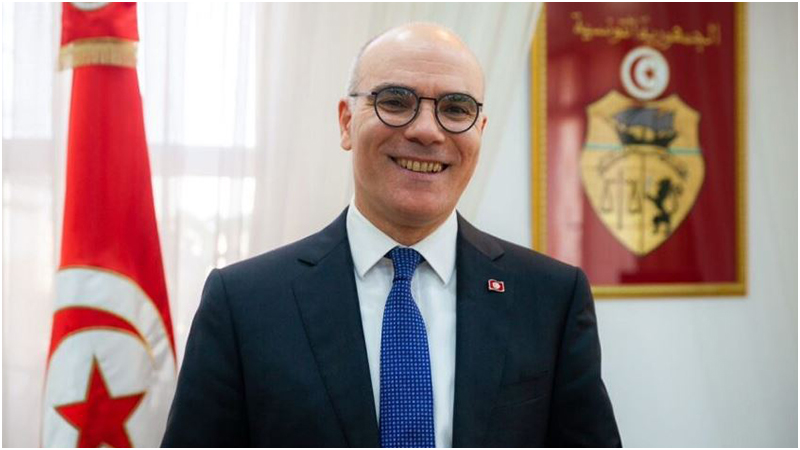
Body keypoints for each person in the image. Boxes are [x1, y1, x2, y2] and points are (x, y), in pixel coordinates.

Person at [162, 23, 621, 448]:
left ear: (479, 132)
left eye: (455, 109)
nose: (426, 131)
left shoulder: (551, 298)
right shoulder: (244, 303)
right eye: (396, 102)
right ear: (346, 122)